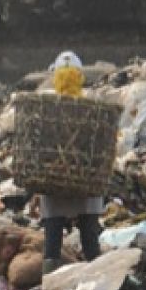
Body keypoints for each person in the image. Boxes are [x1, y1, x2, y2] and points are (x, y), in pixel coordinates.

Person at [39, 50, 104, 275]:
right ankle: (99, 282)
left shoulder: (46, 109)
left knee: (52, 242)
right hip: (86, 183)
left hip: (54, 180)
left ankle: (49, 284)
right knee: (90, 242)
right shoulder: (93, 109)